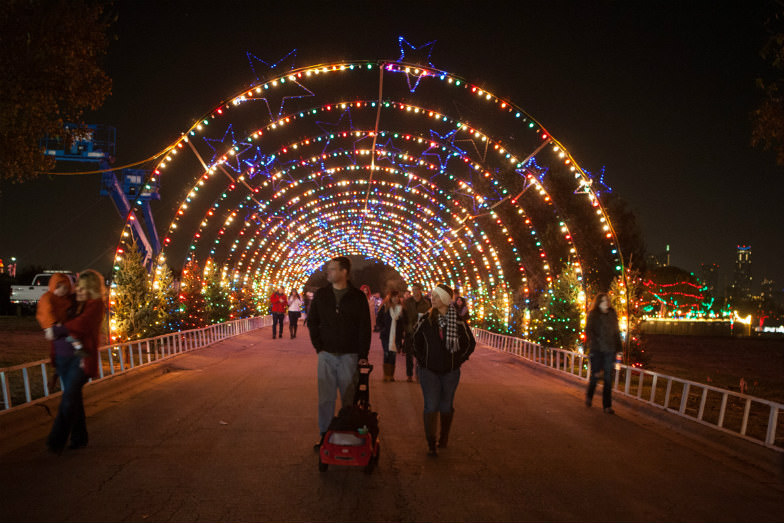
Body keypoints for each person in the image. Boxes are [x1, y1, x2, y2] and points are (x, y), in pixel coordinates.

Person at [308, 256, 372, 450]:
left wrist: (362, 355)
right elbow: (312, 321)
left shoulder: (357, 297)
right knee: (325, 399)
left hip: (349, 356)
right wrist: (319, 346)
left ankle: (347, 435)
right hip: (326, 355)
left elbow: (364, 327)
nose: (328, 272)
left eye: (332, 269)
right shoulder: (322, 295)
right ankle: (324, 436)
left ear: (344, 272)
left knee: (349, 398)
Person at [46, 270, 106, 454]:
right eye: (77, 286)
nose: (78, 289)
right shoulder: (74, 302)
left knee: (69, 397)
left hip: (82, 358)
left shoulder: (95, 305)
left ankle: (56, 440)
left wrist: (58, 330)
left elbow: (82, 325)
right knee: (74, 399)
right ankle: (79, 437)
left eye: (82, 287)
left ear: (91, 288)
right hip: (65, 357)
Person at [412, 283, 475, 456]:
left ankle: (444, 437)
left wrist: (458, 360)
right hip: (429, 371)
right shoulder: (425, 320)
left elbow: (470, 343)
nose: (432, 298)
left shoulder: (459, 322)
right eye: (432, 295)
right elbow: (414, 342)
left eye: (437, 296)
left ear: (446, 300)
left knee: (446, 405)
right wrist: (423, 361)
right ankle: (431, 443)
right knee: (431, 406)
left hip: (450, 371)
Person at [584, 293, 623, 414]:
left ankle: (607, 406)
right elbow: (588, 330)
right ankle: (590, 396)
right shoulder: (593, 315)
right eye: (603, 301)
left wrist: (619, 347)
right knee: (595, 376)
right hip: (597, 350)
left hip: (609, 350)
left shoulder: (612, 314)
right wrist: (595, 341)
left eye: (607, 301)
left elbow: (616, 331)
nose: (606, 303)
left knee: (607, 378)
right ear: (599, 303)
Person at [375, 290, 407, 382]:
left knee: (393, 354)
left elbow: (404, 322)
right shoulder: (385, 307)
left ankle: (391, 375)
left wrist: (402, 332)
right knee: (386, 353)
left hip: (396, 336)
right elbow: (378, 320)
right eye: (394, 297)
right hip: (386, 335)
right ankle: (386, 375)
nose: (396, 298)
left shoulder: (401, 309)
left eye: (397, 296)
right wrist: (382, 328)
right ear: (390, 298)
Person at [403, 283, 431, 382]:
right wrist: (407, 328)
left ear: (420, 290)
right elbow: (404, 316)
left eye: (416, 289)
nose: (414, 292)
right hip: (410, 331)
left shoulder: (426, 303)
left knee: (420, 355)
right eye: (413, 290)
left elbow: (428, 317)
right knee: (409, 355)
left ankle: (419, 375)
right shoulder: (407, 302)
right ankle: (409, 375)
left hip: (421, 332)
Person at [36, 273, 75, 342]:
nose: (62, 290)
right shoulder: (47, 297)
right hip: (51, 326)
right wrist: (54, 323)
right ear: (53, 286)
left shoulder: (65, 299)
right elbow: (46, 312)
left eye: (65, 288)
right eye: (59, 287)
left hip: (61, 325)